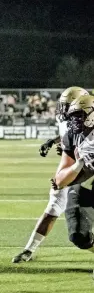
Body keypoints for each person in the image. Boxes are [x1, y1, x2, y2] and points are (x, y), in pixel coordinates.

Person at [12, 87, 89, 263]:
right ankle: (29, 249)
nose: (65, 110)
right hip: (75, 169)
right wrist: (54, 142)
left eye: (69, 105)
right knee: (54, 205)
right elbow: (68, 135)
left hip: (87, 172)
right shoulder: (69, 121)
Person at [53, 95, 94, 265]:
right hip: (84, 186)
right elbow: (60, 180)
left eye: (79, 115)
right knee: (78, 235)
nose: (75, 120)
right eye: (73, 116)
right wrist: (77, 166)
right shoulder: (72, 136)